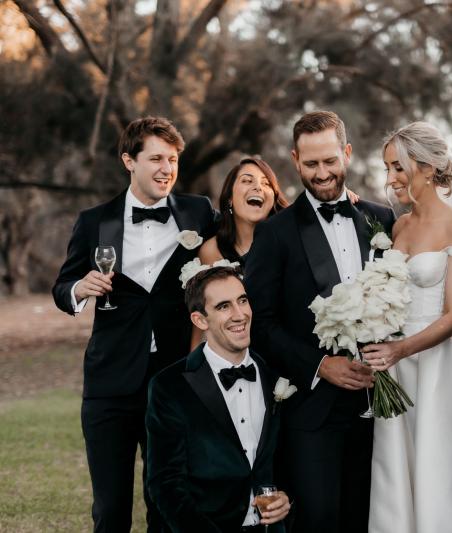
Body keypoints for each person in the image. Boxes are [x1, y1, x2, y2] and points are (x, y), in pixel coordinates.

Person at [51, 116, 216, 532]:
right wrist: (80, 288)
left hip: (175, 379)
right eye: (156, 158)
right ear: (129, 160)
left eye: (173, 159)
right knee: (110, 509)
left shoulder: (198, 212)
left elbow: (246, 236)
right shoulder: (95, 221)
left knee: (166, 502)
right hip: (110, 384)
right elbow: (62, 287)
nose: (167, 169)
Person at [243, 110, 395, 533]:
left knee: (372, 517)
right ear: (295, 161)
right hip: (313, 411)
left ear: (346, 153)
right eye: (311, 164)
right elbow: (261, 323)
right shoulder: (275, 234)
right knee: (320, 519)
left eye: (330, 160)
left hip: (383, 406)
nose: (322, 172)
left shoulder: (382, 220)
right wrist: (319, 366)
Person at [360, 122, 452, 532]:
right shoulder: (399, 227)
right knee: (398, 471)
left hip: (441, 365)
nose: (390, 179)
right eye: (388, 168)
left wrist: (400, 349)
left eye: (398, 168)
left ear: (425, 168)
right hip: (397, 368)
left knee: (441, 466)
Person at [146, 266, 290, 532]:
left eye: (243, 301)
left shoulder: (276, 377)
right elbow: (165, 484)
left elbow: (287, 459)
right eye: (224, 306)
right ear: (200, 320)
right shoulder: (170, 386)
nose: (240, 314)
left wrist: (285, 498)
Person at [198, 157, 289, 267]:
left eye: (266, 183)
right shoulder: (211, 251)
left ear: (273, 200)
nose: (258, 187)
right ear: (230, 198)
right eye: (247, 181)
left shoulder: (289, 243)